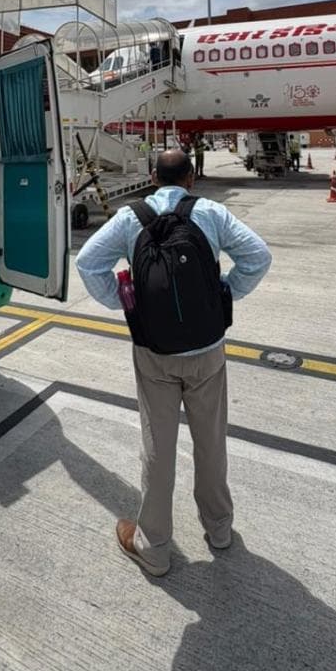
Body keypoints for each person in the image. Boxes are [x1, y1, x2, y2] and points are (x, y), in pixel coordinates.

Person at [75, 148, 271, 577]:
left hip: (154, 353)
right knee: (211, 442)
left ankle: (155, 547)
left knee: (158, 449)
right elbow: (259, 257)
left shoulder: (131, 218)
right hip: (206, 351)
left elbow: (88, 262)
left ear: (152, 176)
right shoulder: (212, 214)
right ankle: (219, 530)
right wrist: (222, 295)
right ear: (191, 179)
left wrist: (125, 303)